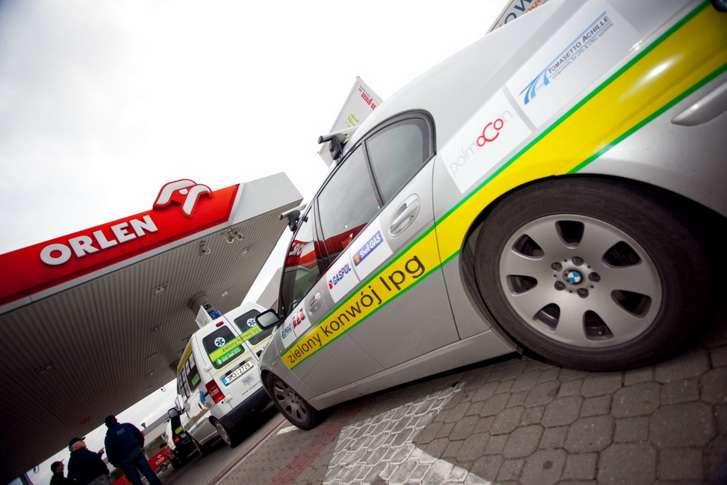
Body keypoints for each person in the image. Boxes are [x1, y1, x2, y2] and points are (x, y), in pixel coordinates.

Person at [103, 415, 161, 485]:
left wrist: (117, 464)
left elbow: (110, 455)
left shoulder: (108, 438)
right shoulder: (127, 426)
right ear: (115, 420)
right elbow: (139, 435)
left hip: (125, 462)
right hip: (137, 453)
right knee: (148, 473)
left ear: (107, 425)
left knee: (136, 481)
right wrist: (140, 447)